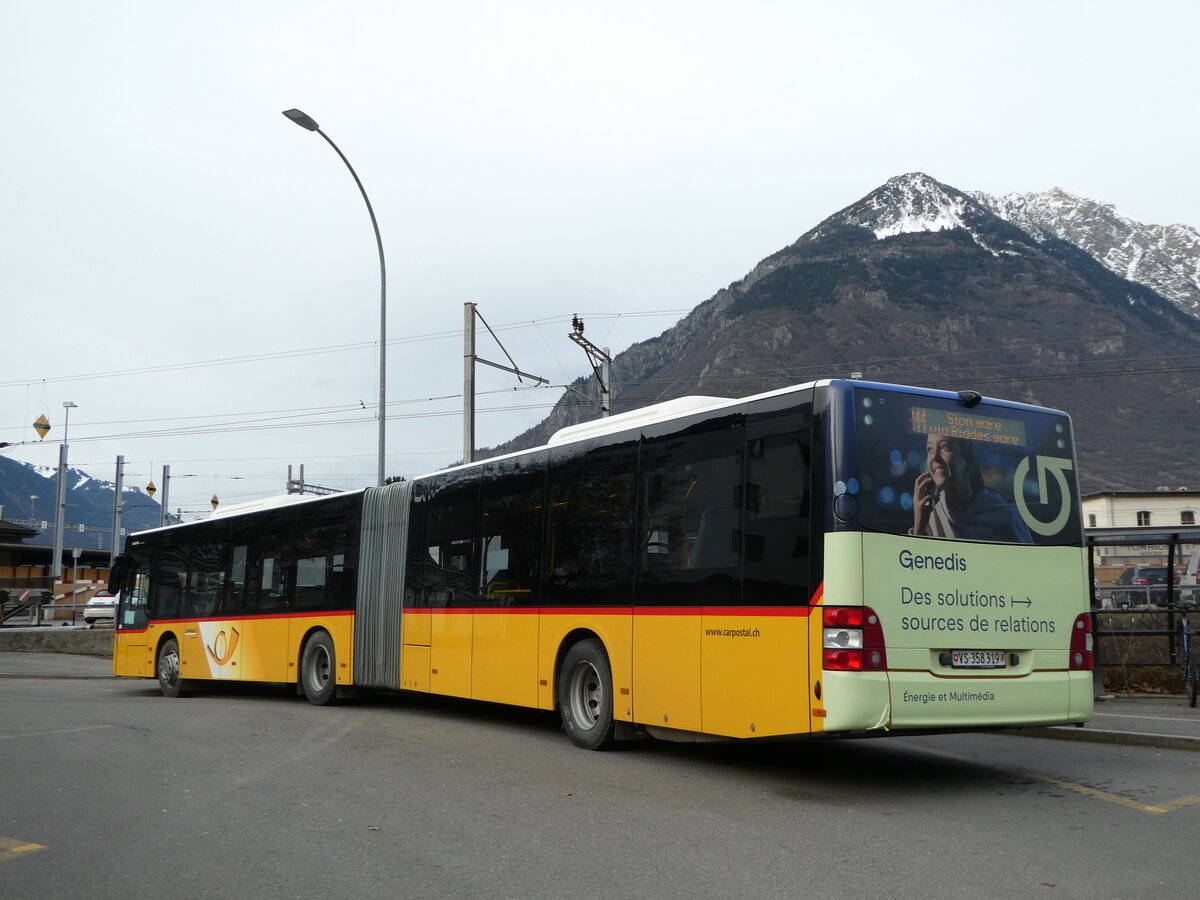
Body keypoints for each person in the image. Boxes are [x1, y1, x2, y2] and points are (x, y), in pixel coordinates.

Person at [912, 432, 1032, 543]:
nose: (934, 457)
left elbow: (1029, 561)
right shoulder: (929, 511)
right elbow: (916, 561)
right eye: (930, 450)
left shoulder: (1005, 514)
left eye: (944, 447)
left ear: (967, 460)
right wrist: (920, 526)